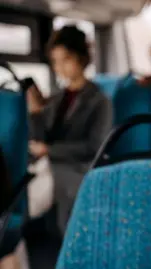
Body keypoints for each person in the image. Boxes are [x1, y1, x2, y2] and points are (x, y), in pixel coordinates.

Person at [28, 25, 112, 234]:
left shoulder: (100, 101)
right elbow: (43, 136)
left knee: (30, 193)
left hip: (79, 168)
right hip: (51, 164)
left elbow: (94, 147)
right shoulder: (56, 99)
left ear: (81, 58)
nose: (59, 67)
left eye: (65, 60)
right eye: (55, 61)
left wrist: (48, 150)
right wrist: (36, 113)